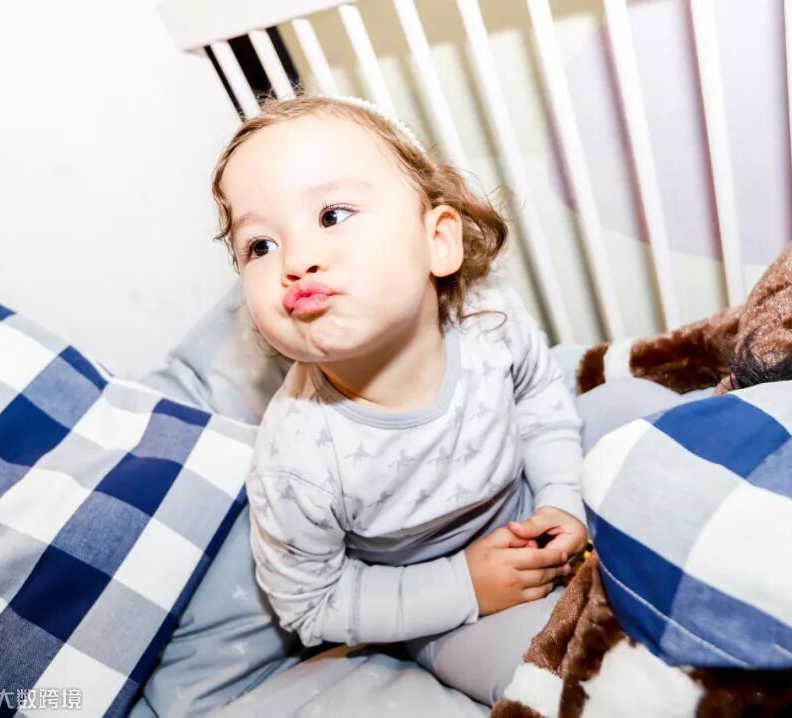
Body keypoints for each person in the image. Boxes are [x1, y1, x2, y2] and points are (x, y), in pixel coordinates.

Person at [210, 93, 587, 705]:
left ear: (438, 240)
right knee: (560, 675)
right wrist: (464, 587)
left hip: (535, 498)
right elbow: (310, 603)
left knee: (643, 414)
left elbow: (542, 404)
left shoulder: (488, 317)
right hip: (444, 611)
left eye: (332, 214)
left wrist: (563, 499)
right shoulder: (297, 458)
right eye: (260, 246)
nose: (296, 261)